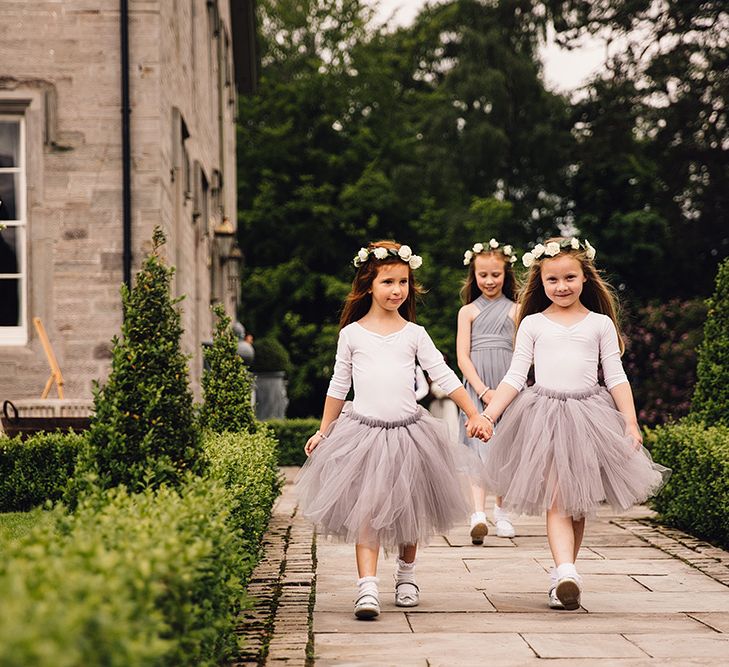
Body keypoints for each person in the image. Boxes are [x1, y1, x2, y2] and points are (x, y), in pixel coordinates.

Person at [296, 240, 491, 620]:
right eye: (388, 282)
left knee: (408, 508)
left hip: (408, 434)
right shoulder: (352, 334)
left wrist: (474, 413)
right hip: (363, 434)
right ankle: (366, 587)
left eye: (403, 282)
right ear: (369, 284)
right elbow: (338, 386)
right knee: (367, 509)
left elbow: (443, 375)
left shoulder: (414, 334)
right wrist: (324, 431)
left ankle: (406, 575)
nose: (396, 290)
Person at [479, 237, 669, 611]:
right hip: (543, 417)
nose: (561, 286)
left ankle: (565, 573)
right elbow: (516, 377)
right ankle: (564, 571)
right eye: (553, 280)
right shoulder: (532, 323)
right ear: (541, 282)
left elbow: (615, 376)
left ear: (585, 278)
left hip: (588, 418)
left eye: (569, 278)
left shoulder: (599, 324)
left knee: (577, 504)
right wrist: (488, 414)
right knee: (557, 498)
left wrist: (630, 423)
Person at [457, 239, 519, 542]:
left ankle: (502, 511)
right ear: (474, 275)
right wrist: (482, 391)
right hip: (477, 387)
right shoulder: (467, 311)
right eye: (483, 275)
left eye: (496, 274)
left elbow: (522, 356)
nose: (490, 281)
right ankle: (477, 513)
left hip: (507, 386)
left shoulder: (517, 311)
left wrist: (503, 391)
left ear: (505, 274)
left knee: (505, 449)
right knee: (476, 450)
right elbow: (462, 357)